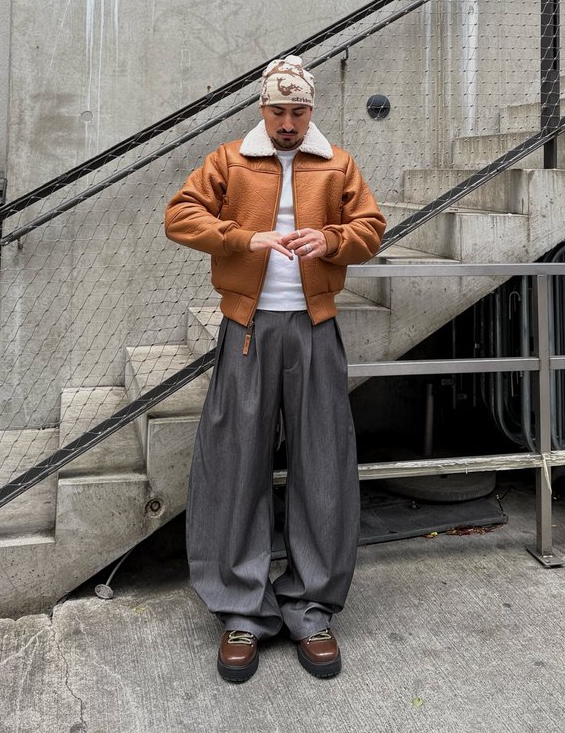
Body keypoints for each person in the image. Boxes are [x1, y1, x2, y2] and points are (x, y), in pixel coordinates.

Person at [165, 55, 386, 682]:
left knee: (323, 463)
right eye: (277, 110)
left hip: (314, 328)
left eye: (298, 111)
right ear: (262, 109)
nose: (287, 122)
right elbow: (180, 216)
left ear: (310, 111)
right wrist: (244, 237)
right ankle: (242, 611)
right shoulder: (229, 161)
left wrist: (334, 241)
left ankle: (312, 609)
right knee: (235, 462)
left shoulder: (337, 163)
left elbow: (371, 227)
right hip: (246, 328)